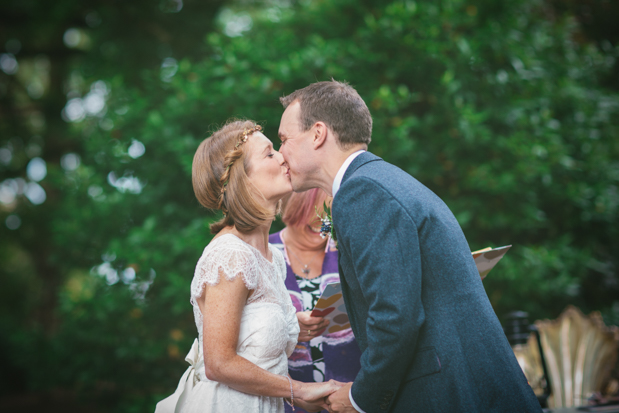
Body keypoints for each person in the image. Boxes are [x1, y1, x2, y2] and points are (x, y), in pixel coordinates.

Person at [277, 81, 542, 412]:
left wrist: (362, 398)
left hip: (448, 394)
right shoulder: (380, 181)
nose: (279, 153)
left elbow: (394, 317)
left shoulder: (362, 193)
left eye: (284, 139)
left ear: (317, 134)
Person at [155, 120, 341, 413]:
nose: (282, 156)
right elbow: (219, 364)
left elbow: (256, 347)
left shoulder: (272, 258)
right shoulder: (230, 254)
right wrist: (301, 389)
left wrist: (294, 325)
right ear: (243, 179)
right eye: (269, 154)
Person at [269, 189, 362, 413]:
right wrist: (289, 328)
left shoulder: (347, 250)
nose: (324, 222)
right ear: (295, 207)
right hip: (287, 398)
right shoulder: (265, 253)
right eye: (317, 211)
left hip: (350, 393)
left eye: (331, 215)